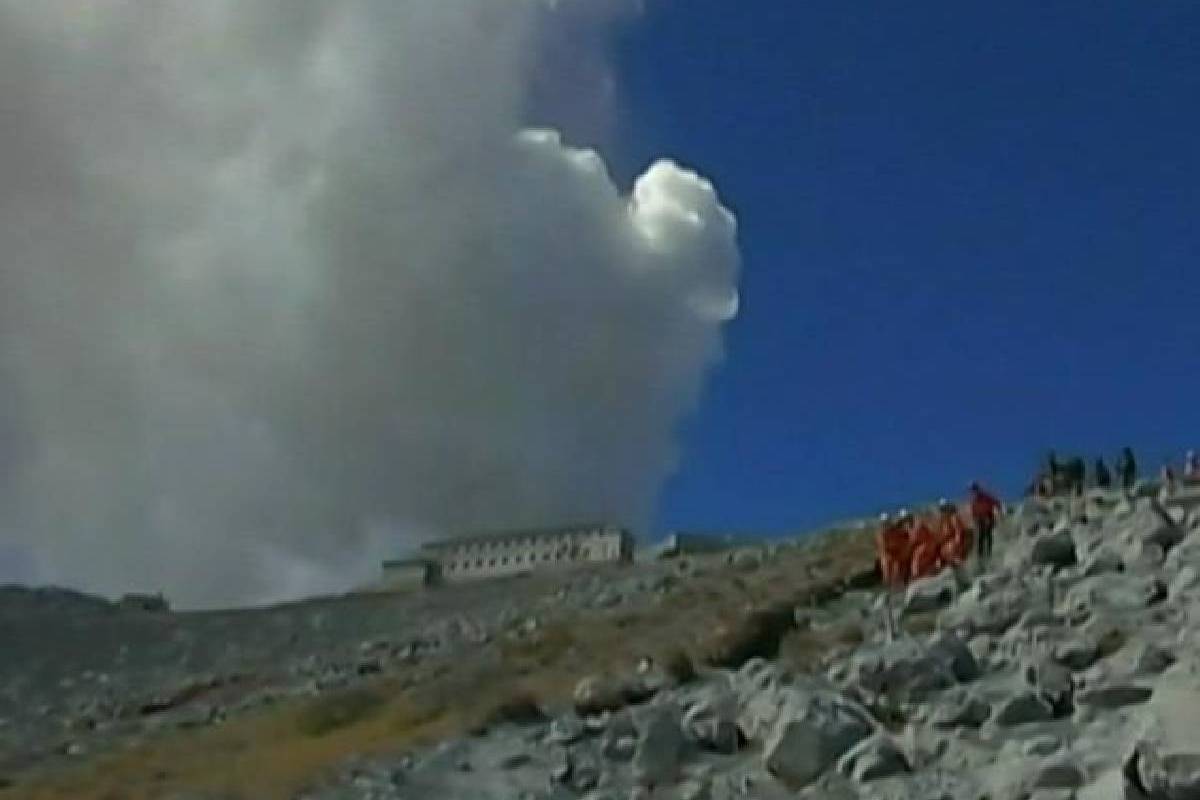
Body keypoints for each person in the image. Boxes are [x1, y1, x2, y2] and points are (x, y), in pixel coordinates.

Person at [968, 481, 1003, 563]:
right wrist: (974, 520)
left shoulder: (985, 497)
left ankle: (988, 555)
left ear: (977, 489)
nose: (972, 492)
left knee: (987, 537)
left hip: (988, 519)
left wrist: (999, 513)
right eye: (972, 491)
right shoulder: (974, 501)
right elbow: (974, 512)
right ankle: (980, 557)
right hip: (979, 521)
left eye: (973, 490)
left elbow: (997, 503)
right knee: (980, 539)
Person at [876, 512, 911, 588]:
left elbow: (904, 538)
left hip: (897, 555)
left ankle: (898, 583)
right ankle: (888, 585)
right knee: (887, 568)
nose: (886, 525)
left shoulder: (896, 530)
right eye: (884, 523)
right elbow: (883, 546)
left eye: (887, 522)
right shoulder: (882, 533)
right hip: (888, 555)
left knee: (897, 568)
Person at [936, 498, 971, 567]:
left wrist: (957, 541)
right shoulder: (943, 520)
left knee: (950, 549)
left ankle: (958, 562)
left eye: (944, 509)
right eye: (942, 509)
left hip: (959, 539)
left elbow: (958, 530)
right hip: (950, 541)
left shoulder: (953, 517)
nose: (943, 511)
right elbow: (941, 533)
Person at [909, 511, 943, 581]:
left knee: (918, 556)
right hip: (930, 545)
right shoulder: (914, 528)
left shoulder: (918, 527)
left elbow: (915, 540)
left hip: (928, 544)